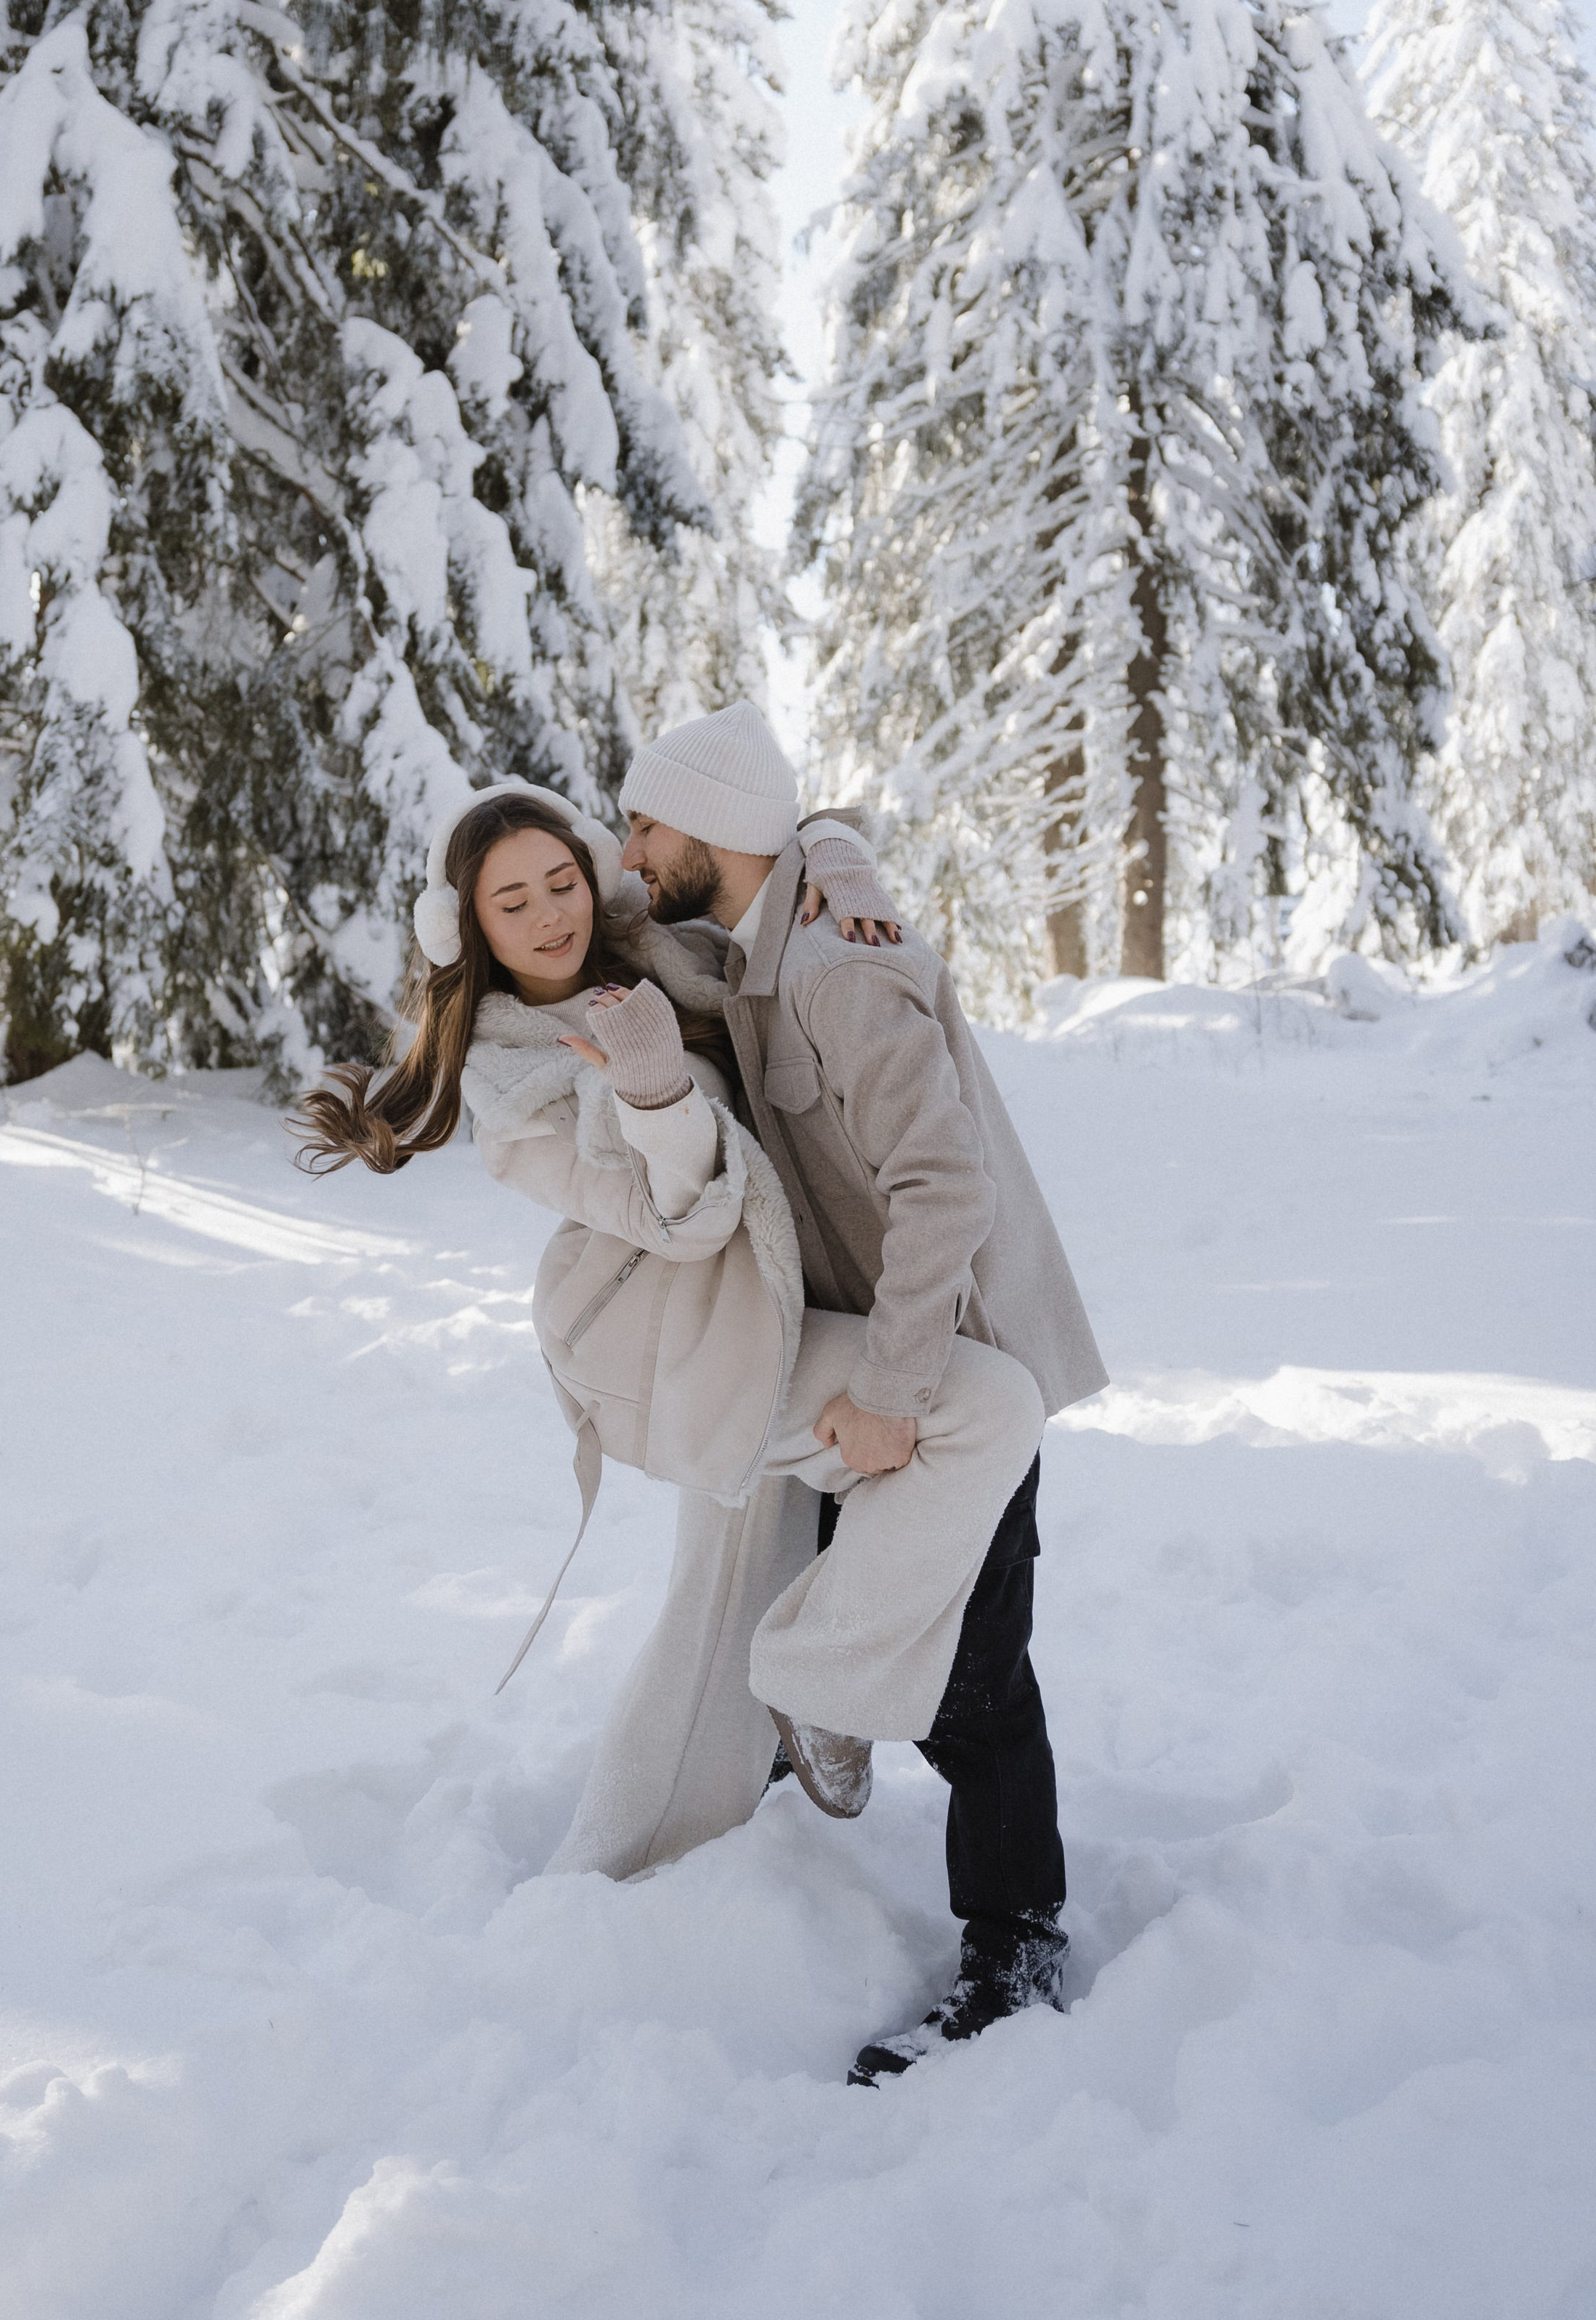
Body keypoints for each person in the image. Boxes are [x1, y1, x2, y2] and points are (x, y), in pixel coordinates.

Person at [292, 779, 1050, 1969]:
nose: (548, 915)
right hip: (680, 1341)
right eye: (510, 903)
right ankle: (824, 1685)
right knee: (987, 1409)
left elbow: (769, 846)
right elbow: (683, 1216)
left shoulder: (661, 953)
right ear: (468, 931)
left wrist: (842, 863)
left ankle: (634, 1870)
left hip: (774, 1309)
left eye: (560, 882)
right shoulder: (514, 1092)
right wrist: (649, 1091)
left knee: (718, 1607)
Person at [612, 700, 1109, 2085]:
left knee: (975, 1674)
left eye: (646, 824)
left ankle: (1016, 1949)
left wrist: (892, 1391)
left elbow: (945, 1187)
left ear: (714, 827)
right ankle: (792, 1842)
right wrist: (836, 843)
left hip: (953, 1363)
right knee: (860, 1599)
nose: (630, 852)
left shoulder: (836, 970)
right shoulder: (771, 936)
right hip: (884, 1358)